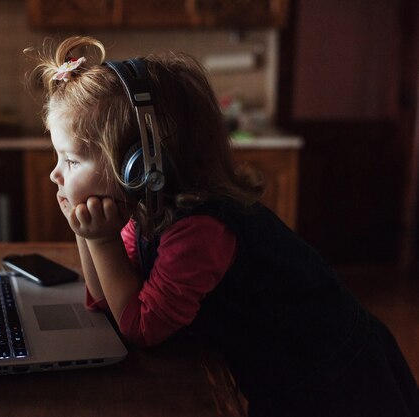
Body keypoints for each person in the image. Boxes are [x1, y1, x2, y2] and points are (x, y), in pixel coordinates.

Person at [26, 35, 419, 416]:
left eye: (72, 161)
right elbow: (109, 303)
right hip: (283, 379)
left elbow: (141, 328)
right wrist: (90, 235)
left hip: (335, 383)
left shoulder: (201, 229)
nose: (55, 175)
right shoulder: (148, 210)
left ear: (140, 165)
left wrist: (101, 240)